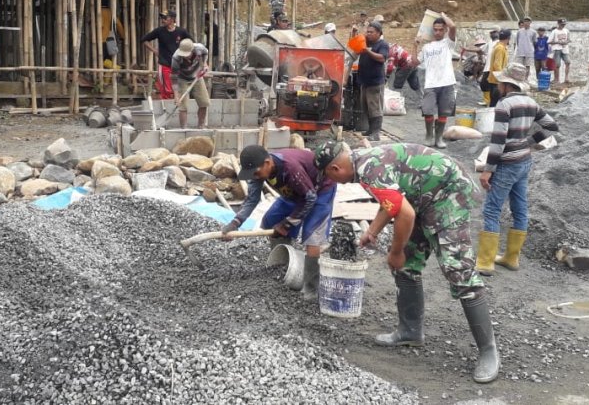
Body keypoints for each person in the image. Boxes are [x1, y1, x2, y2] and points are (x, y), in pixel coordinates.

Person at [314, 140, 499, 384]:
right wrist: (373, 231)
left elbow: (405, 214)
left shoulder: (370, 169)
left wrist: (395, 251)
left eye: (328, 176)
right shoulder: (362, 164)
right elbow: (392, 203)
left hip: (447, 195)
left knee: (458, 270)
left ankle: (488, 352)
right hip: (422, 197)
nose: (331, 181)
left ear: (335, 169)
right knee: (408, 266)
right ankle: (410, 331)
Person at [475, 63, 559, 276]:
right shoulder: (531, 102)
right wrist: (527, 142)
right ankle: (512, 258)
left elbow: (498, 141)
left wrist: (488, 169)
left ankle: (485, 262)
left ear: (505, 84)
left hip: (506, 163)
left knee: (492, 210)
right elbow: (552, 126)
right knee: (519, 208)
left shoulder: (504, 105)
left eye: (500, 83)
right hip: (524, 161)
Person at [223, 145, 336, 300]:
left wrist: (287, 224)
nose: (255, 177)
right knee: (271, 220)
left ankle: (311, 288)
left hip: (320, 190)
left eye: (256, 173)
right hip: (295, 193)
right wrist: (235, 223)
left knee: (312, 237)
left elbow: (310, 198)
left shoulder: (290, 168)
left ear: (268, 163)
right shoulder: (258, 173)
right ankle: (284, 264)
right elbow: (252, 200)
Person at [415, 14, 457, 148]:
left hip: (447, 82)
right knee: (427, 110)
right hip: (431, 84)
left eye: (440, 29)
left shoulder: (448, 43)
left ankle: (439, 138)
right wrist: (415, 46)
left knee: (443, 112)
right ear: (432, 30)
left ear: (444, 30)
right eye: (435, 29)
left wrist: (443, 15)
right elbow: (414, 62)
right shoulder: (427, 47)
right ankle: (429, 136)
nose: (438, 32)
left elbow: (453, 26)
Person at [141, 10, 192, 100]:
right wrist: (154, 51)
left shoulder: (181, 32)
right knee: (166, 90)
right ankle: (167, 108)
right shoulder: (159, 31)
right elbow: (144, 40)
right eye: (162, 18)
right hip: (164, 64)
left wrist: (188, 56)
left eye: (165, 18)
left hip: (178, 65)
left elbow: (192, 43)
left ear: (172, 19)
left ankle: (177, 109)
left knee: (179, 89)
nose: (162, 20)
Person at [357, 21, 389, 141]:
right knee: (366, 106)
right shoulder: (367, 42)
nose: (368, 34)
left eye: (371, 32)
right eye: (368, 31)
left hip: (375, 82)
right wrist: (355, 33)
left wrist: (368, 51)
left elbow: (382, 58)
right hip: (365, 81)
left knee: (375, 108)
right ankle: (371, 129)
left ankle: (376, 133)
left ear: (379, 33)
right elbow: (354, 44)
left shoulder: (382, 45)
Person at [170, 39, 210, 129]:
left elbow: (205, 52)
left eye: (187, 54)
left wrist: (204, 64)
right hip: (182, 79)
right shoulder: (176, 57)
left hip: (197, 76)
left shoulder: (199, 48)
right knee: (183, 106)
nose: (185, 57)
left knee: (204, 102)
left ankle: (201, 126)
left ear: (192, 51)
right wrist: (176, 96)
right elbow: (173, 77)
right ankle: (184, 129)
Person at [486, 29, 510, 107]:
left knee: (494, 102)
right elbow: (497, 65)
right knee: (496, 103)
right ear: (508, 38)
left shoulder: (499, 46)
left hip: (494, 79)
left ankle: (492, 118)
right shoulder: (500, 48)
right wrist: (502, 79)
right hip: (497, 81)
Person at [479, 26, 500, 104]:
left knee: (492, 87)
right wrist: (467, 49)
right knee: (484, 84)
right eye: (491, 33)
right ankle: (487, 101)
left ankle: (491, 103)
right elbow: (480, 49)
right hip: (487, 67)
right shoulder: (490, 43)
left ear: (498, 33)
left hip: (494, 68)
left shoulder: (499, 43)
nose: (492, 34)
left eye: (494, 32)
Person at [550, 18, 571, 84]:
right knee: (557, 64)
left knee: (568, 62)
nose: (563, 26)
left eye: (564, 24)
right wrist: (557, 42)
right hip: (556, 49)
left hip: (565, 49)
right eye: (562, 24)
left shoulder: (567, 31)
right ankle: (557, 79)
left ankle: (566, 78)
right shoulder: (554, 32)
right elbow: (550, 41)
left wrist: (566, 42)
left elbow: (569, 39)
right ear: (558, 24)